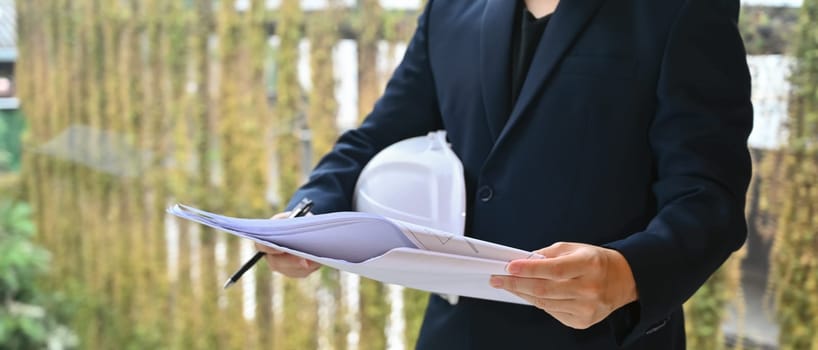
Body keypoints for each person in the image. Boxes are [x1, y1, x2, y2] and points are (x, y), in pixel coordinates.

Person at [255, 0, 753, 348]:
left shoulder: (682, 7)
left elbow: (708, 196)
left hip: (604, 338)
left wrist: (629, 274)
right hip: (455, 335)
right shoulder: (451, 8)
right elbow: (376, 135)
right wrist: (307, 217)